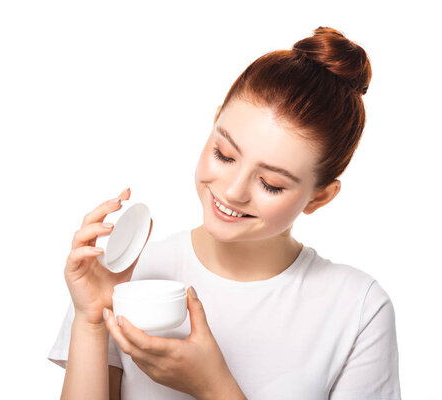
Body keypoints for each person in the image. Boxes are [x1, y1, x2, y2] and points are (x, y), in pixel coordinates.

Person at [48, 26, 401, 400]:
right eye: (224, 155)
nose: (233, 191)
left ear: (320, 197)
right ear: (214, 123)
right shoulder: (128, 275)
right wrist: (90, 320)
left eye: (271, 184)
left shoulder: (358, 309)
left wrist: (213, 387)